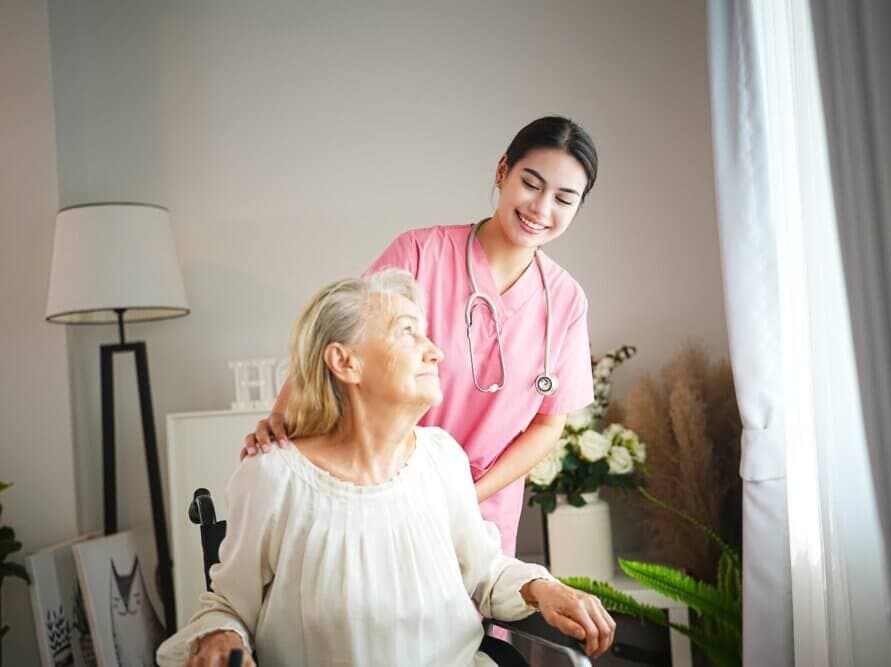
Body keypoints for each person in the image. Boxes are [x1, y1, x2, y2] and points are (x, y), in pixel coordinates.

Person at [158, 270, 614, 666]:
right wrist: (221, 635)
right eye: (407, 332)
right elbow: (227, 606)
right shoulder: (274, 476)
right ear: (344, 361)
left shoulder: (441, 458)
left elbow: (485, 573)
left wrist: (542, 588)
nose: (434, 351)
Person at [246, 116, 599, 558]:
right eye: (531, 183)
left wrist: (466, 496)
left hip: (479, 510)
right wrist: (282, 417)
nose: (541, 209)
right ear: (502, 171)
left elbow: (549, 423)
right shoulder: (420, 253)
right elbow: (338, 337)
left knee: (473, 622)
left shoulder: (566, 301)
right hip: (385, 489)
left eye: (564, 199)